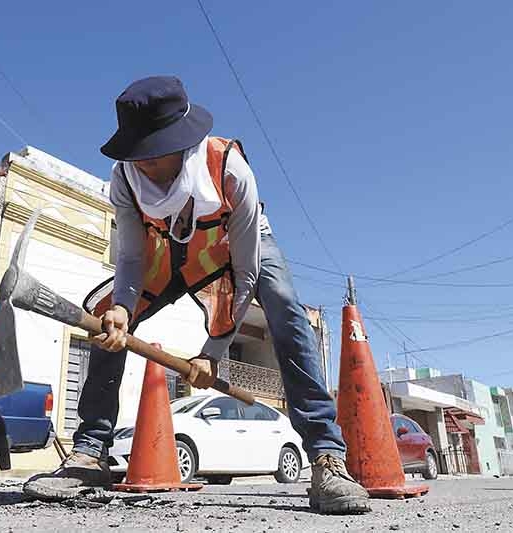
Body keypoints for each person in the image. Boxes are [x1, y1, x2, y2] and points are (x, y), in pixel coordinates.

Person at [24, 76, 371, 514]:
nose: (143, 163)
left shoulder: (230, 168)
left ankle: (326, 456)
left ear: (180, 140)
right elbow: (131, 260)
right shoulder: (124, 179)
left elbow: (245, 274)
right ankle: (90, 453)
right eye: (136, 152)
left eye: (153, 151)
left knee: (284, 306)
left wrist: (215, 350)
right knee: (103, 310)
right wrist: (121, 310)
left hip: (236, 248)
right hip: (165, 253)